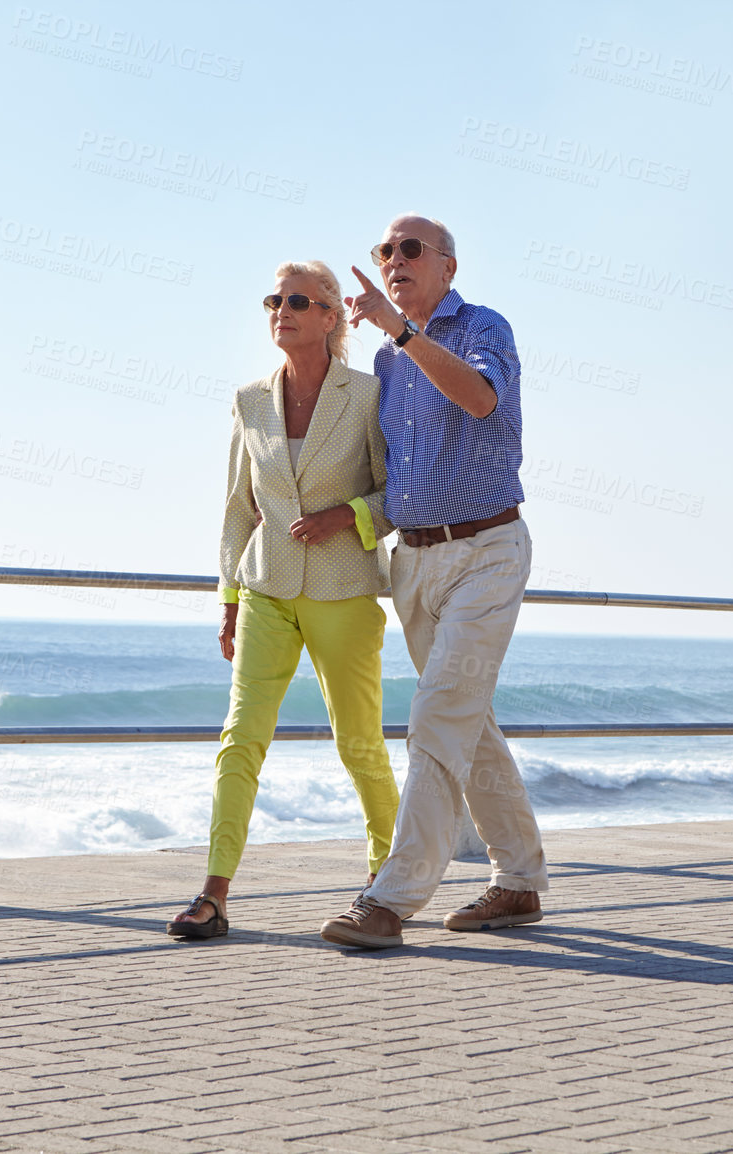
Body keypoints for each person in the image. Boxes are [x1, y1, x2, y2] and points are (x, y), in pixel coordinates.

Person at [319, 215, 548, 949]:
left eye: (410, 249)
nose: (393, 261)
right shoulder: (387, 365)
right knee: (467, 723)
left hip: (487, 551)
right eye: (384, 251)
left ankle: (391, 897)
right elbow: (401, 482)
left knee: (438, 715)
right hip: (412, 563)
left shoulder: (483, 326)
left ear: (447, 266)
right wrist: (339, 515)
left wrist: (405, 334)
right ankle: (518, 881)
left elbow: (480, 398)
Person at [167, 260, 397, 939]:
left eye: (298, 300)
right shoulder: (250, 400)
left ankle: (387, 880)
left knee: (359, 743)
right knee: (240, 740)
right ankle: (214, 894)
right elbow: (238, 510)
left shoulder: (368, 394)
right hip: (265, 588)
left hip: (344, 591)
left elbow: (397, 497)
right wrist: (230, 598)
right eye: (273, 299)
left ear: (331, 316)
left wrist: (347, 515)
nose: (281, 310)